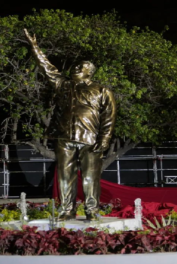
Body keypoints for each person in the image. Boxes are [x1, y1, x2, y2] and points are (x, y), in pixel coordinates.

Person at [24, 29, 116, 221]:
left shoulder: (101, 90)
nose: (75, 69)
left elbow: (109, 116)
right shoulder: (63, 85)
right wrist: (34, 47)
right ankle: (67, 210)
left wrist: (105, 138)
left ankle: (91, 210)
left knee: (90, 178)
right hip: (64, 138)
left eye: (80, 67)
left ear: (89, 71)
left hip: (90, 139)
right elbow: (47, 68)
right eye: (75, 66)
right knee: (65, 177)